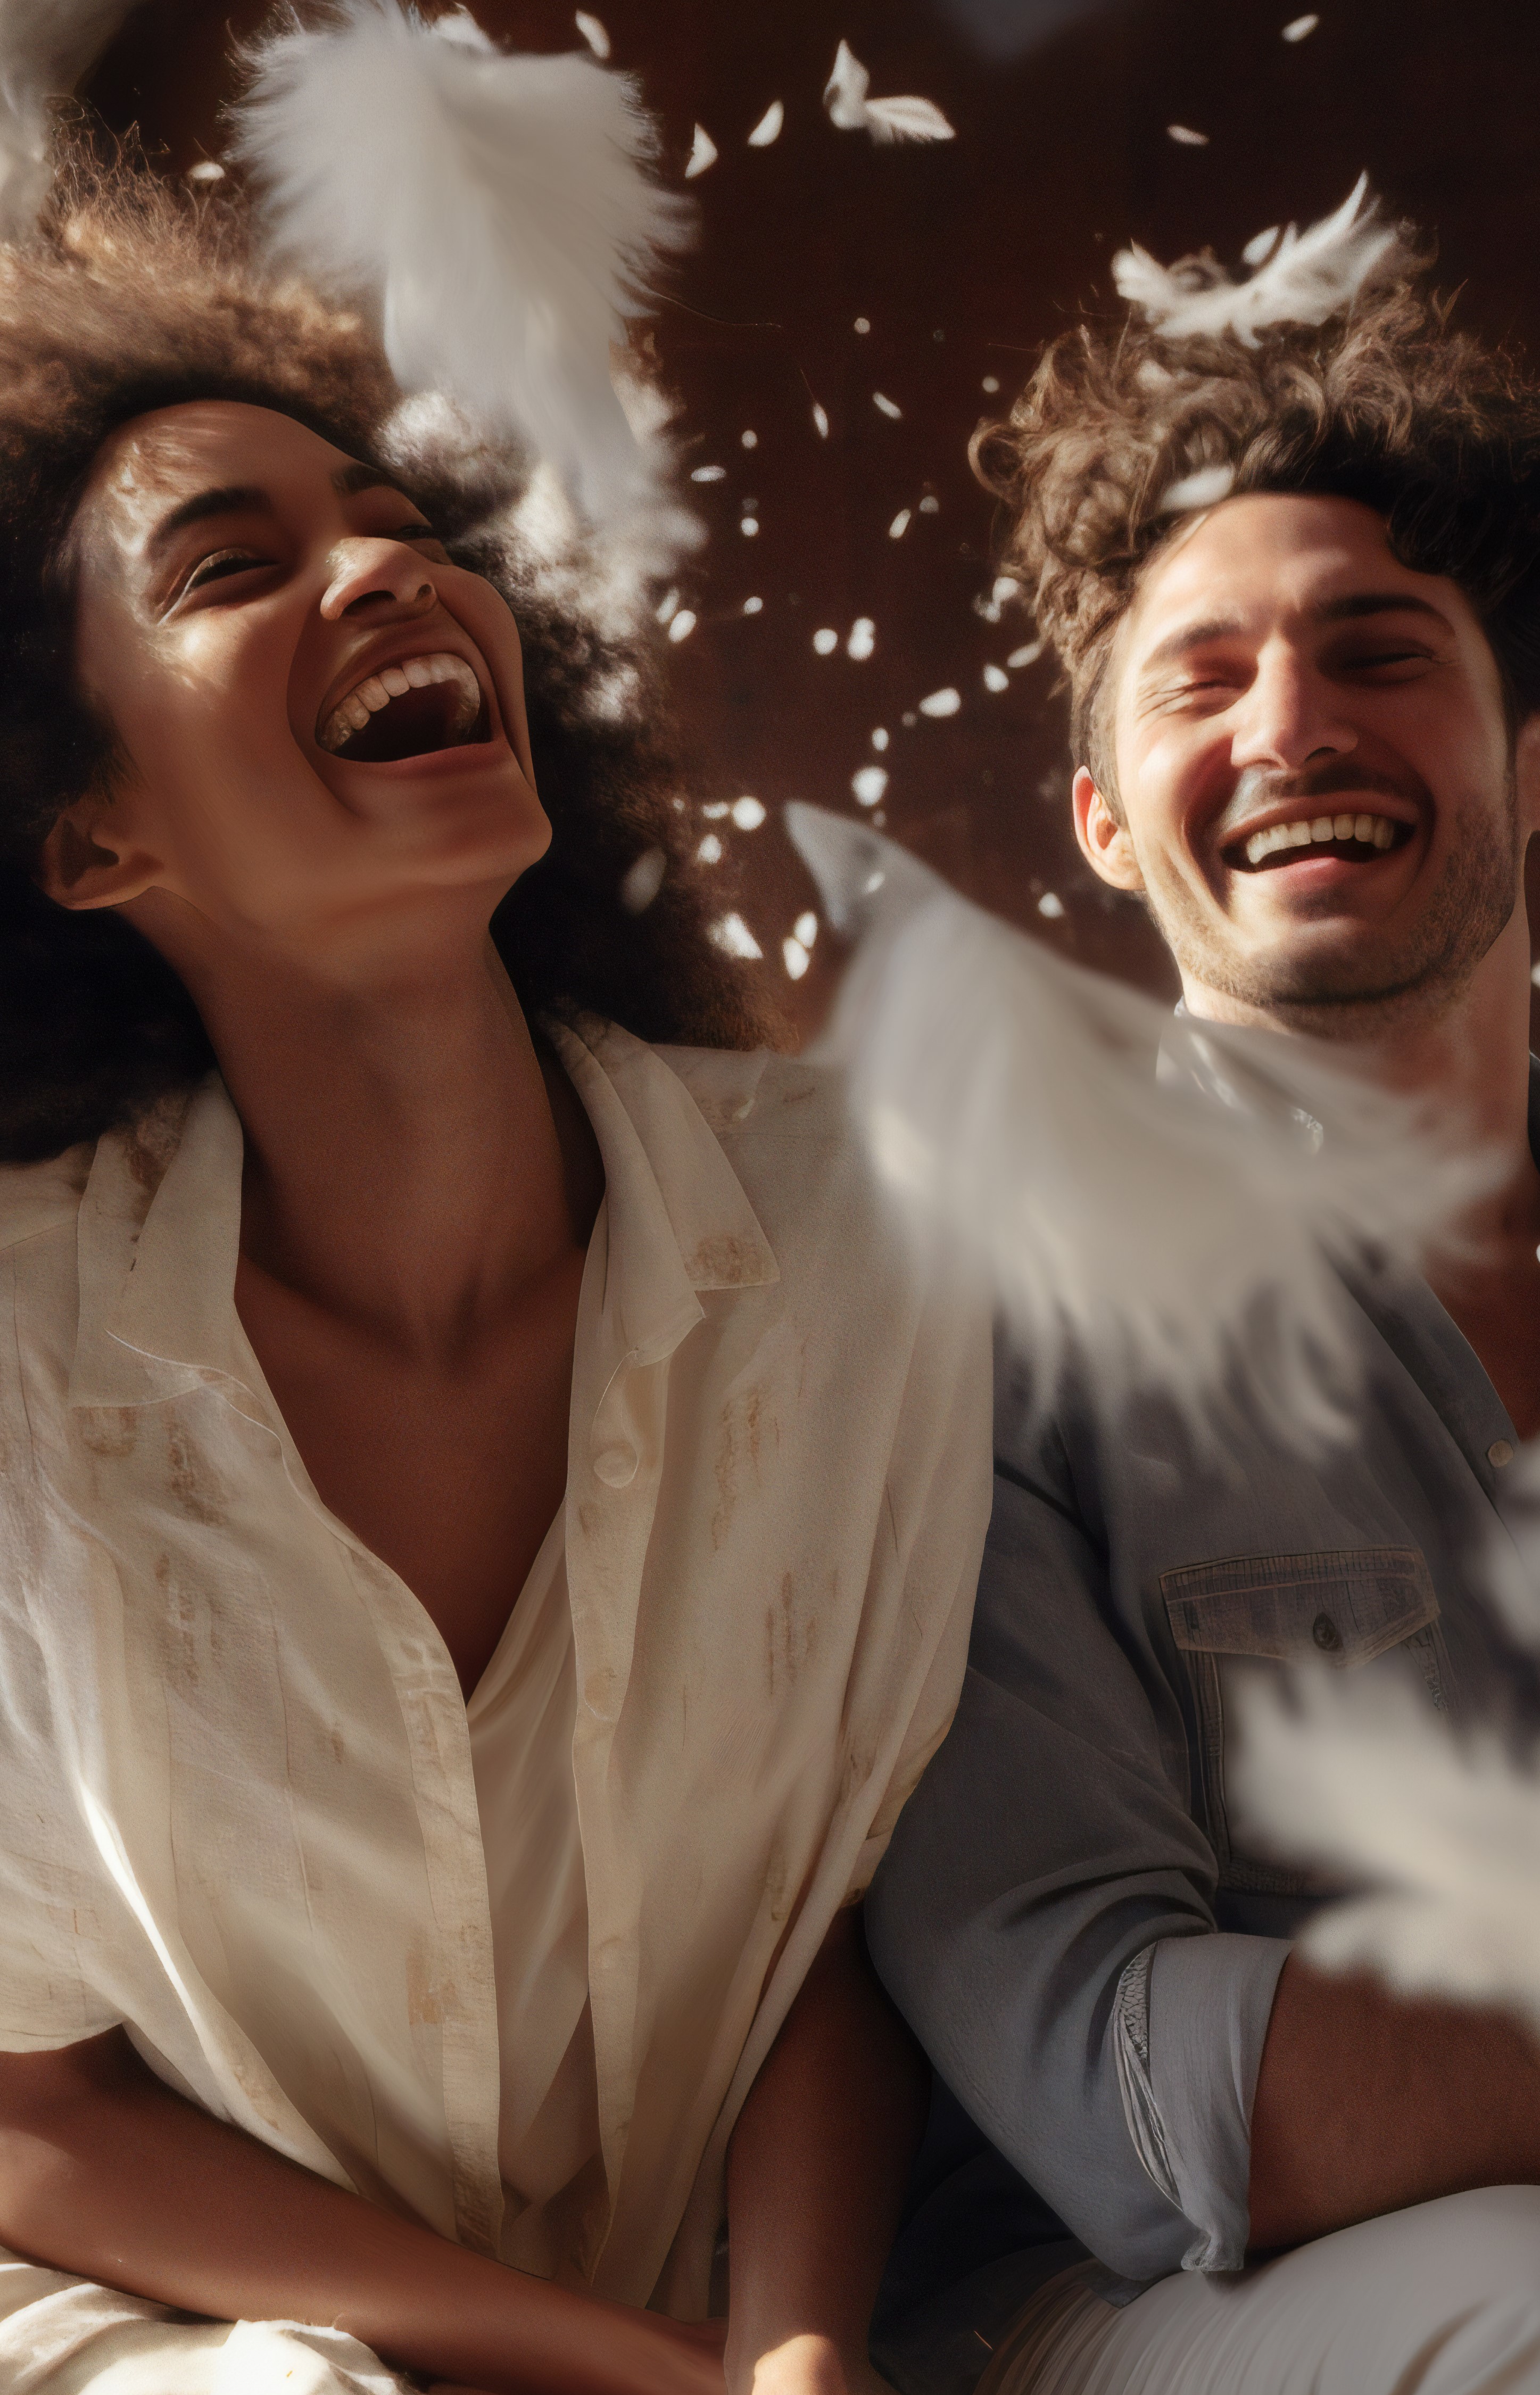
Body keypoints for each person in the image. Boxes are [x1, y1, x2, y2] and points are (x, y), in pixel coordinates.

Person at [0, 150, 989, 2395]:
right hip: (174, 2332)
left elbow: (853, 1920)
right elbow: (27, 2110)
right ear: (91, 833)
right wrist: (604, 2367)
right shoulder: (9, 1371)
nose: (386, 569)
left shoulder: (874, 1222)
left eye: (409, 528)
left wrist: (798, 2355)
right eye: (236, 563)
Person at [864, 234, 1540, 2393]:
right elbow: (1139, 2088)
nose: (1289, 725)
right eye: (1197, 681)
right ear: (1105, 823)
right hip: (1125, 2315)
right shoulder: (954, 1303)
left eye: (1373, 651)